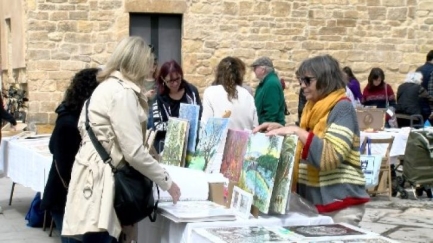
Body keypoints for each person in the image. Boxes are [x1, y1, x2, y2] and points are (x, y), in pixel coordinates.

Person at [62, 37, 181, 243]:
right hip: (103, 183)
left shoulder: (106, 87)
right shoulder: (122, 93)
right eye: (149, 62)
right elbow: (133, 152)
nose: (152, 69)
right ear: (138, 63)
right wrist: (167, 181)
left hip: (90, 176)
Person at [253, 55, 369, 226]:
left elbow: (330, 157)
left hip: (340, 206)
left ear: (325, 79)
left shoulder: (342, 108)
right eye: (301, 81)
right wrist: (280, 128)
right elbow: (308, 140)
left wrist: (296, 130)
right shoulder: (312, 109)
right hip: (314, 204)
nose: (302, 86)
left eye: (307, 80)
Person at [40, 68, 100, 243]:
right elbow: (64, 163)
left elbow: (52, 146)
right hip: (67, 198)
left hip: (77, 198)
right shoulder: (69, 122)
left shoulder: (72, 115)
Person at [152, 60, 202, 153]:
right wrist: (180, 125)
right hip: (168, 147)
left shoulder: (192, 92)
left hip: (191, 145)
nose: (175, 83)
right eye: (170, 81)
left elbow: (200, 116)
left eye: (177, 79)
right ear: (163, 79)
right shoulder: (158, 98)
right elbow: (157, 126)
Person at [202, 56, 258, 130]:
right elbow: (255, 126)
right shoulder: (247, 94)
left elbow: (206, 124)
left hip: (220, 140)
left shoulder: (210, 92)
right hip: (244, 140)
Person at [251, 57, 285, 125]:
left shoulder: (271, 84)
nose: (254, 71)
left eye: (255, 68)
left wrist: (264, 127)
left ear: (263, 70)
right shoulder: (267, 82)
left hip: (269, 128)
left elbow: (271, 111)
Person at [144, 44, 158, 129]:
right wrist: (146, 95)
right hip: (144, 114)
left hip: (155, 116)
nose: (153, 67)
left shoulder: (159, 81)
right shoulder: (139, 81)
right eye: (150, 64)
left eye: (154, 64)